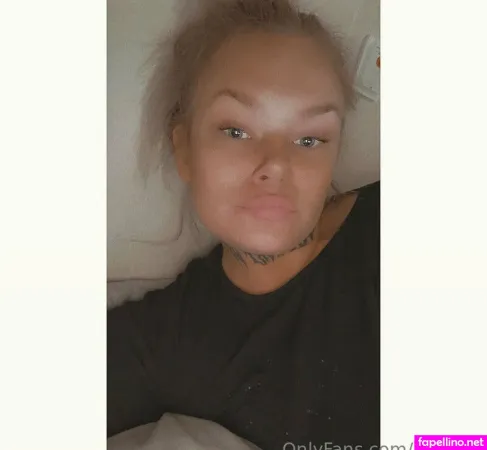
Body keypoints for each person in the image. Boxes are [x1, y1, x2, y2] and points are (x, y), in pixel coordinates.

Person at [108, 0, 380, 448]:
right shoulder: (170, 340)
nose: (276, 164)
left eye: (309, 139)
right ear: (184, 149)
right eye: (236, 131)